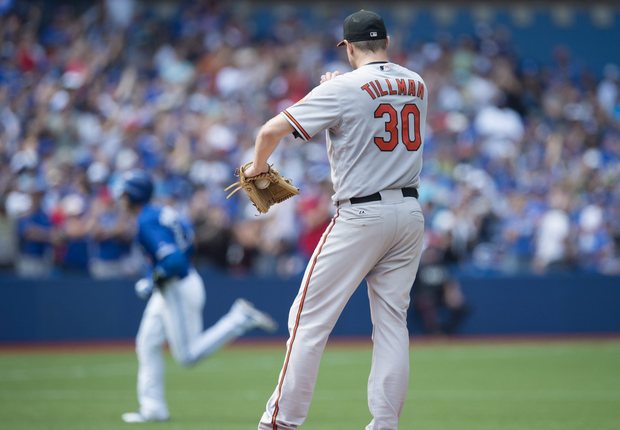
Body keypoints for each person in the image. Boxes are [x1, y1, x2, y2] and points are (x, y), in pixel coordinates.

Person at [244, 10, 427, 430]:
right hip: (409, 212)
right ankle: (385, 423)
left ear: (347, 47)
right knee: (392, 324)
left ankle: (280, 422)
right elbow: (372, 103)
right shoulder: (417, 83)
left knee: (307, 321)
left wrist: (257, 169)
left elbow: (269, 132)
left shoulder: (345, 87)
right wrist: (335, 91)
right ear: (386, 41)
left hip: (362, 213)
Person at [118, 170, 278, 423]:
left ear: (134, 195)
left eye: (124, 193)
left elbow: (175, 261)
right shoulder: (161, 212)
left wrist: (152, 279)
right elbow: (188, 243)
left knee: (187, 356)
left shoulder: (147, 220)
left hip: (177, 287)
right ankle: (153, 408)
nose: (120, 198)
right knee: (147, 342)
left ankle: (238, 319)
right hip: (174, 286)